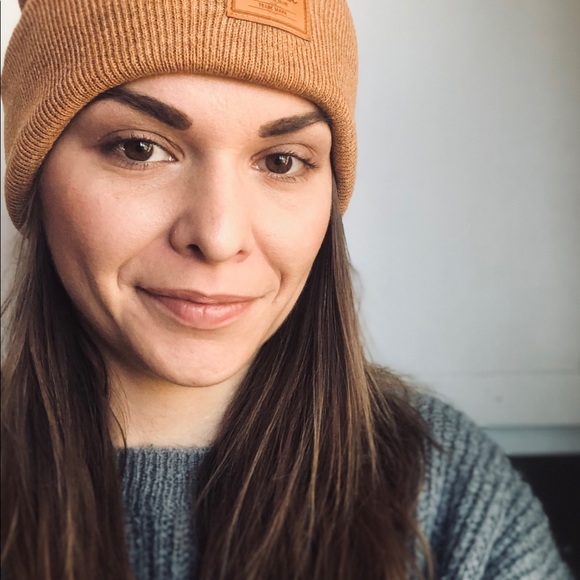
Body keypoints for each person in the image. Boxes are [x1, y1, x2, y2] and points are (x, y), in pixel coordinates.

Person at [0, 1, 572, 579]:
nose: (218, 237)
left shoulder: (452, 492)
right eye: (138, 148)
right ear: (35, 173)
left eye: (280, 161)